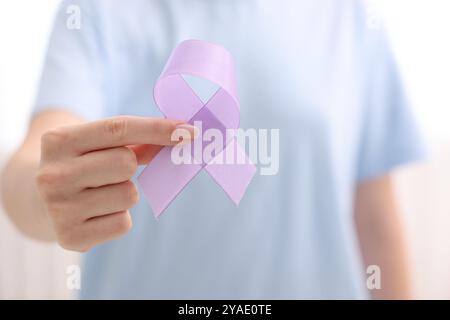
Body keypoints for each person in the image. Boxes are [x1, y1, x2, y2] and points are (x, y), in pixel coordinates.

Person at [0, 0, 425, 299]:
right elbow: (38, 161)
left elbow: (374, 217)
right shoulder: (99, 10)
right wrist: (45, 197)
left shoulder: (347, 14)